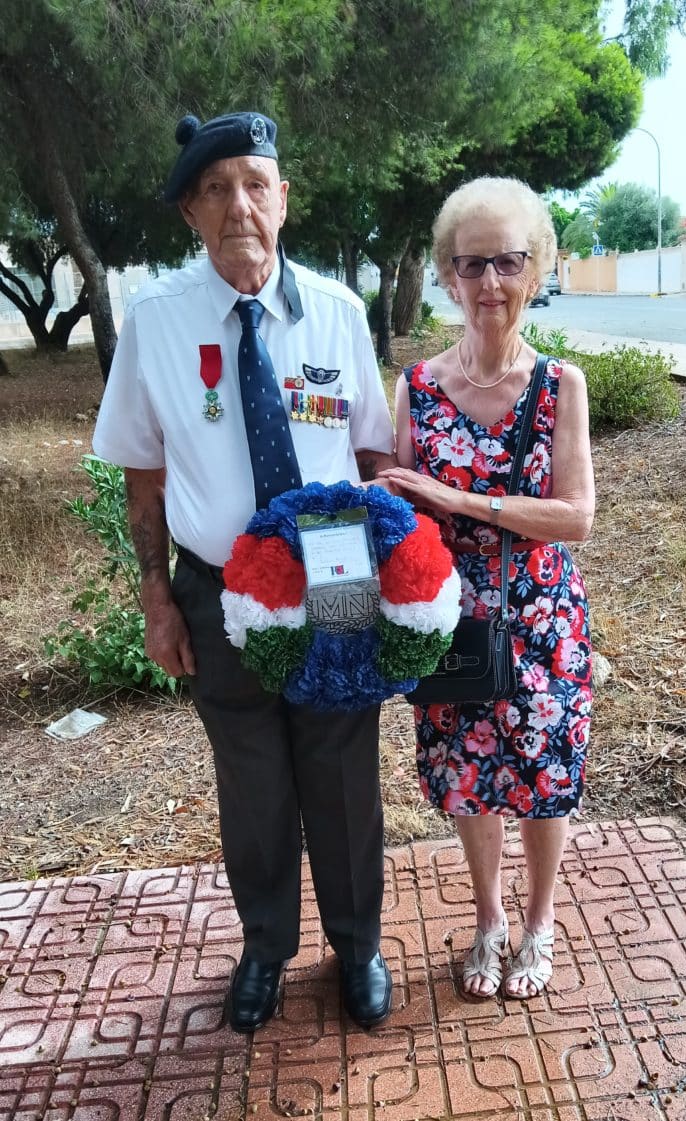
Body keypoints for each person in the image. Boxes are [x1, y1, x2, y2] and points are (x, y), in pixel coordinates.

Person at [93, 111, 396, 1032]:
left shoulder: (339, 314)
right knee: (253, 777)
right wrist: (156, 598)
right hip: (219, 585)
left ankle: (358, 943)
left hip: (335, 578)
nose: (239, 206)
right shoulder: (156, 323)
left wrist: (390, 580)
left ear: (284, 199)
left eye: (255, 184)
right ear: (190, 210)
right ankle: (266, 946)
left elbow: (375, 457)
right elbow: (143, 473)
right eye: (216, 188)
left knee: (343, 770)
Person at [380, 177, 594, 1000]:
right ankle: (490, 918)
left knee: (543, 775)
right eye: (472, 264)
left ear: (536, 269)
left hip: (543, 617)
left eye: (508, 261)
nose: (491, 282)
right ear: (448, 275)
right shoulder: (418, 387)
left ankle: (539, 921)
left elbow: (576, 516)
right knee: (469, 776)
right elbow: (400, 510)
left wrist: (463, 500)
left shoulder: (560, 386)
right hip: (450, 617)